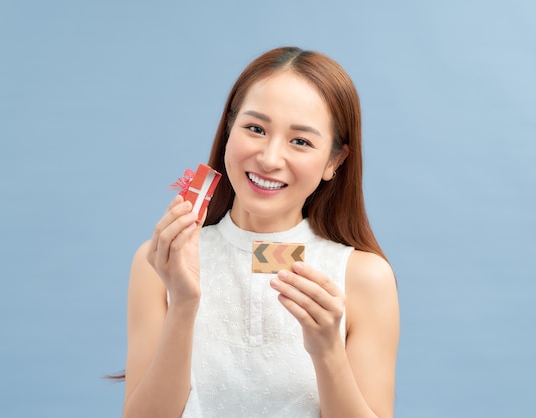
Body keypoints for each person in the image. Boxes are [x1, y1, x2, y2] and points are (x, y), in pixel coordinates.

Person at [121, 46, 399, 418]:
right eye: (255, 128)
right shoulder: (159, 263)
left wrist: (328, 351)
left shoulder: (366, 278)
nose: (269, 159)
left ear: (334, 160)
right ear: (228, 130)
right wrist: (183, 306)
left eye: (300, 141)